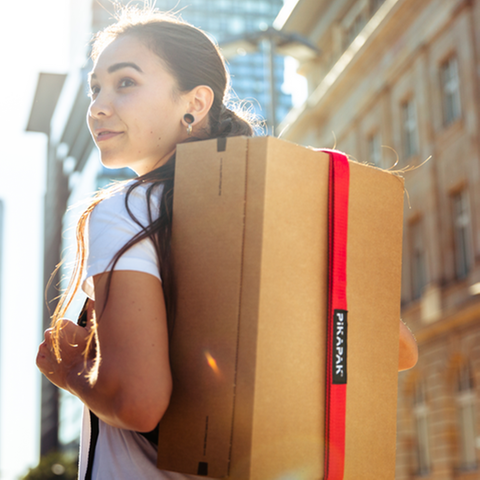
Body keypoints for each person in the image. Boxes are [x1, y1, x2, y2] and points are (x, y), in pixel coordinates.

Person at [36, 6, 418, 480]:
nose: (97, 105)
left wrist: (69, 371)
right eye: (96, 88)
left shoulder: (127, 212)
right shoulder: (272, 208)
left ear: (194, 102)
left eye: (125, 82)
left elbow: (137, 404)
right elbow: (398, 350)